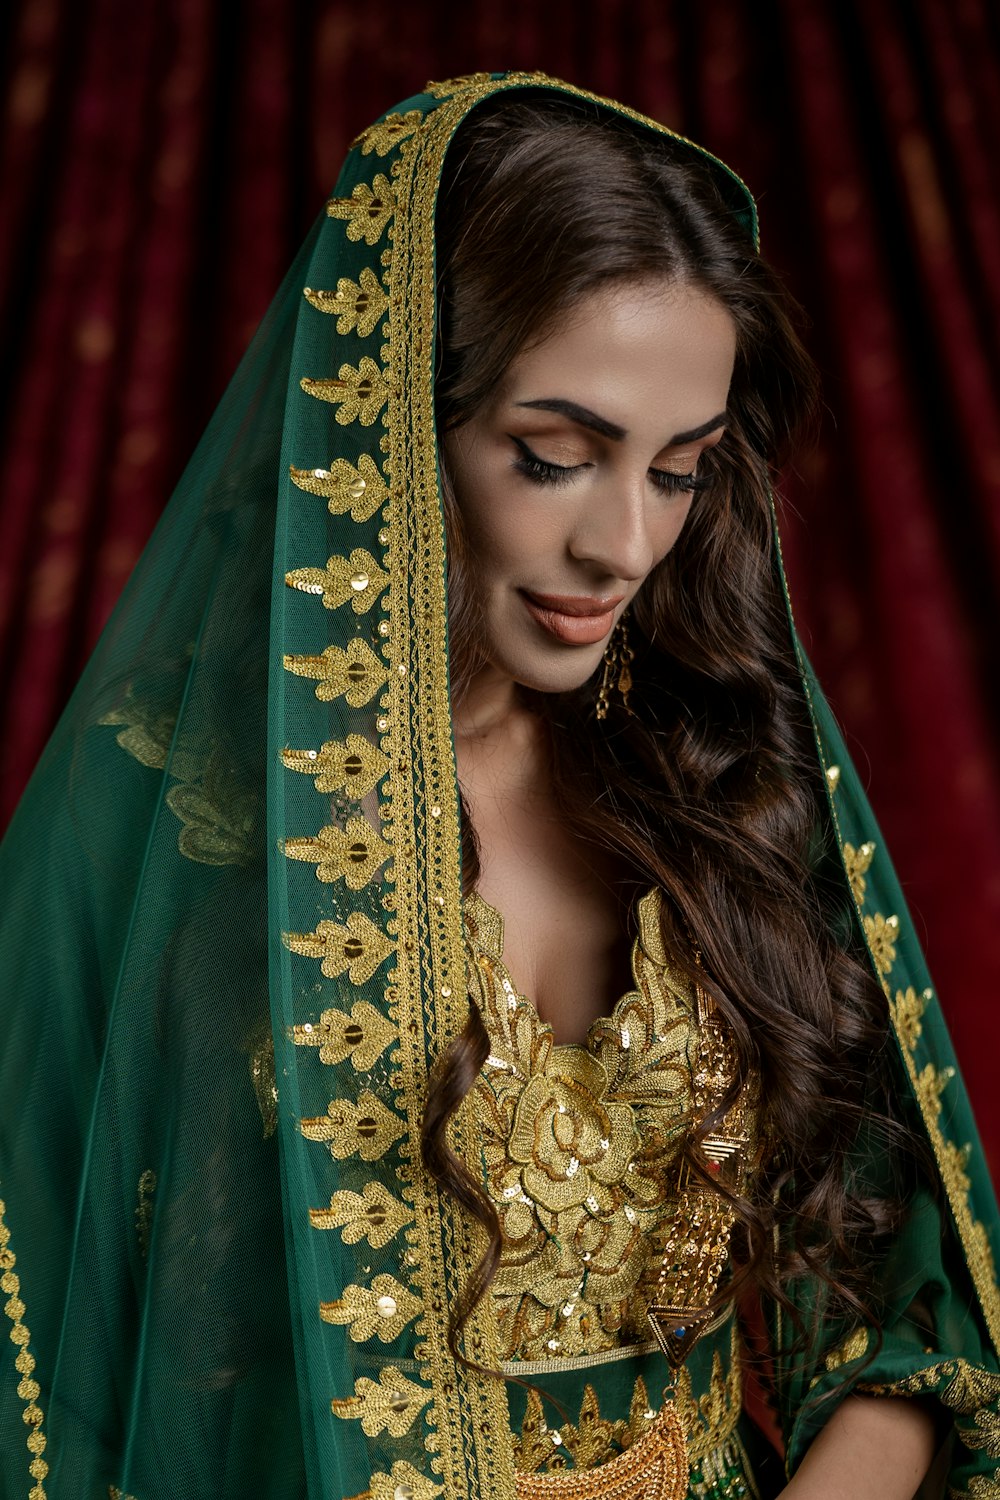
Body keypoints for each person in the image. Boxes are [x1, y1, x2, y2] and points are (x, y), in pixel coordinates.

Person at [0, 70, 997, 1500]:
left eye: (682, 470)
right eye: (554, 458)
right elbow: (50, 1372)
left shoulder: (713, 769)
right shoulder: (178, 813)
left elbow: (895, 1299)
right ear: (389, 428)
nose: (625, 544)